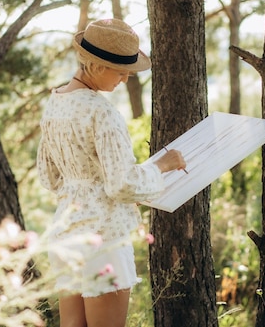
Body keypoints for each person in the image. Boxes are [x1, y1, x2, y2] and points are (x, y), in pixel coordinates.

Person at [37, 19, 186, 327]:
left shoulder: (55, 104)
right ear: (95, 66)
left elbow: (49, 178)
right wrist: (162, 165)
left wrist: (82, 181)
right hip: (102, 240)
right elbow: (122, 184)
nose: (125, 78)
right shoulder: (101, 113)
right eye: (120, 71)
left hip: (66, 236)